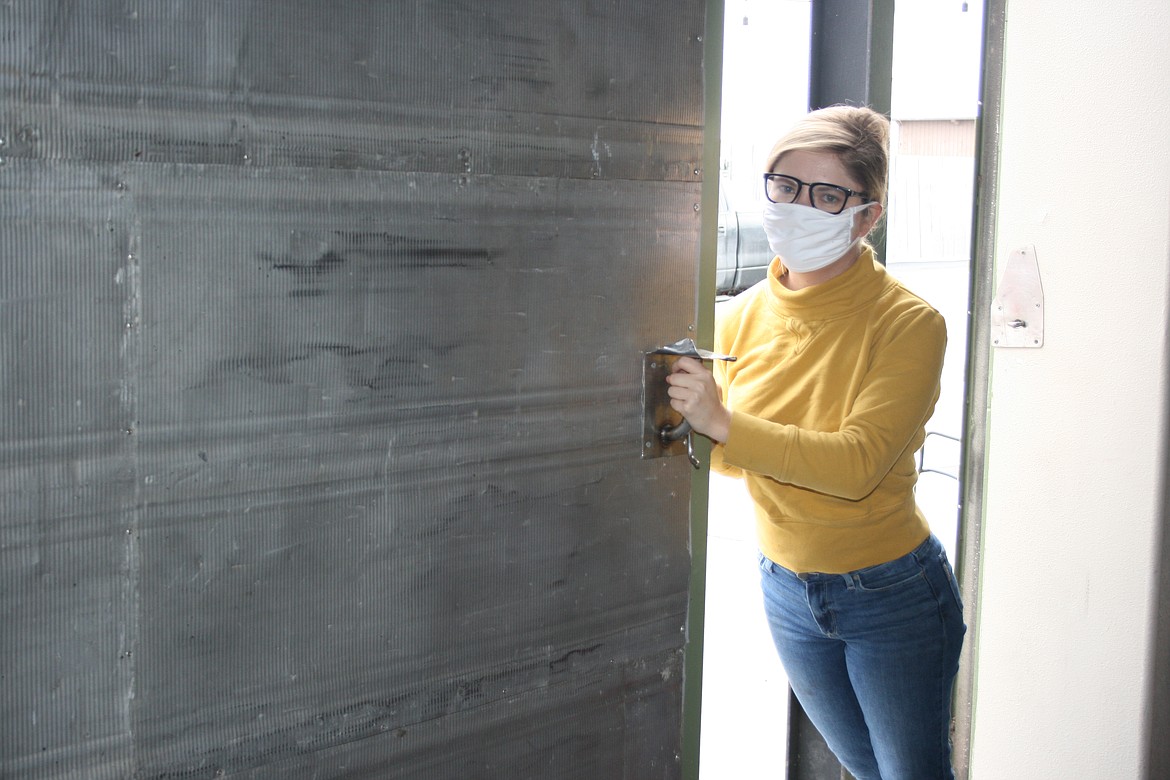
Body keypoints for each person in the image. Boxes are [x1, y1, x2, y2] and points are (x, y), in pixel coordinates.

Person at [666, 105, 966, 779]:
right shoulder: (740, 317)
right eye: (785, 185)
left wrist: (724, 424)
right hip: (785, 585)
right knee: (866, 772)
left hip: (891, 593)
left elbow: (857, 465)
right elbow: (739, 461)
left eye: (827, 195)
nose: (799, 207)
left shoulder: (910, 324)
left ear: (868, 216)